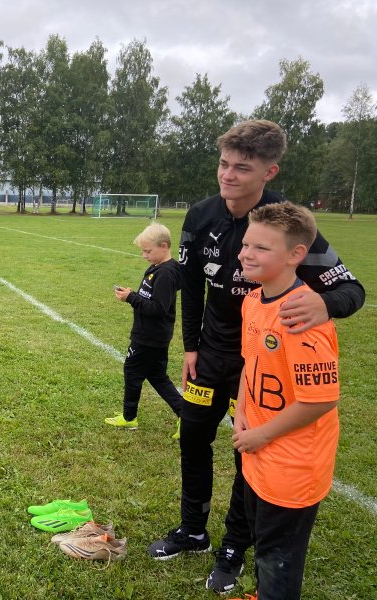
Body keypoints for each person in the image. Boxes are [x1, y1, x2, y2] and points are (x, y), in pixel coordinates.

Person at [146, 120, 364, 595]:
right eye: (224, 164)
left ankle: (233, 549)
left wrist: (325, 303)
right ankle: (193, 530)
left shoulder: (281, 224)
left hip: (258, 365)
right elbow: (190, 287)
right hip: (210, 356)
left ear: (269, 172)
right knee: (192, 437)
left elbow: (353, 289)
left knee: (250, 453)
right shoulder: (201, 216)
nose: (228, 176)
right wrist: (189, 346)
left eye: (242, 168)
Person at [232, 202, 339, 600]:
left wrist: (261, 435)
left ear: (296, 254)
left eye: (261, 248)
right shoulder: (253, 300)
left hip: (292, 463)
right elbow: (250, 362)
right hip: (258, 448)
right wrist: (242, 411)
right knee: (263, 542)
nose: (246, 253)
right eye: (246, 244)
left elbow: (320, 401)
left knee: (278, 558)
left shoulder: (301, 316)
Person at [105, 222, 183, 437]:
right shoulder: (157, 268)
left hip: (149, 336)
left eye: (148, 251)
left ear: (164, 246)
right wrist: (133, 294)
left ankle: (129, 418)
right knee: (157, 376)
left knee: (132, 372)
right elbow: (150, 298)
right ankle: (185, 414)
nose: (144, 255)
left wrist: (131, 298)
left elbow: (158, 308)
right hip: (151, 334)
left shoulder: (166, 273)